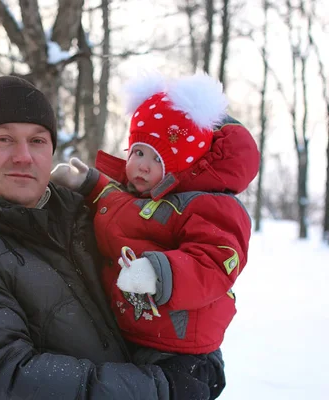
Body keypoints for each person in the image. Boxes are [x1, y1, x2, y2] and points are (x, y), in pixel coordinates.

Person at [0, 75, 219, 399]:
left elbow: (180, 283)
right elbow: (6, 382)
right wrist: (162, 389)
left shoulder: (86, 216)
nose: (24, 155)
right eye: (3, 139)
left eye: (37, 141)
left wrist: (196, 355)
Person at [51, 71, 260, 399]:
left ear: (182, 163)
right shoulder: (136, 195)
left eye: (157, 157)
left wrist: (160, 272)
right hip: (136, 334)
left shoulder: (208, 206)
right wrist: (87, 183)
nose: (141, 166)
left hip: (180, 348)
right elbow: (114, 203)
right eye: (137, 152)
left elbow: (216, 261)